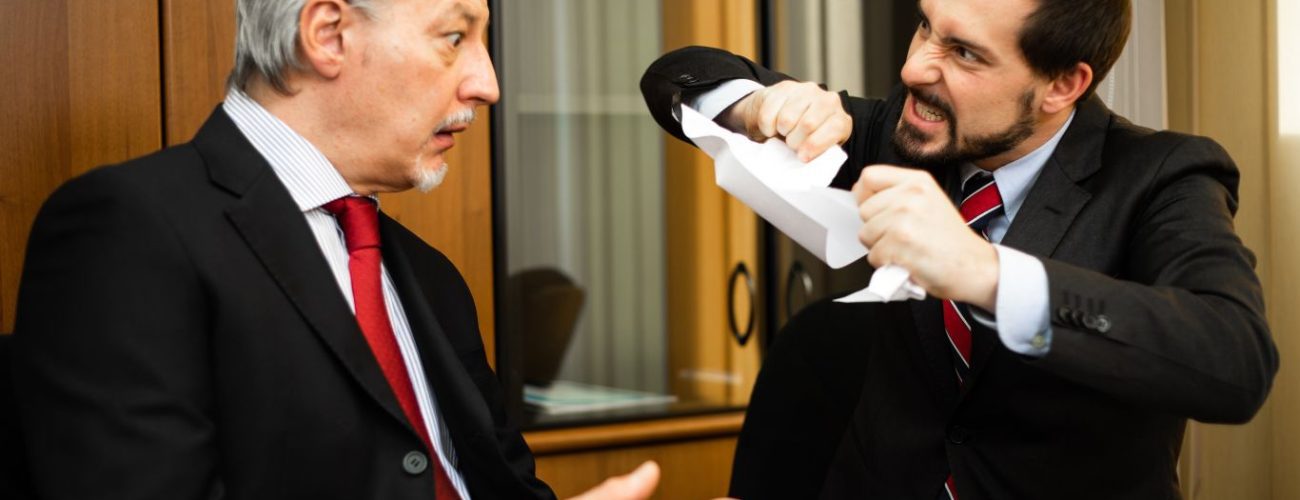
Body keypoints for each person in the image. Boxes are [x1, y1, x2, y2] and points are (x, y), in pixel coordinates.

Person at [11, 0, 661, 498]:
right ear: (328, 34)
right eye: (455, 38)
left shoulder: (432, 278)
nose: (487, 84)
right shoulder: (129, 228)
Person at [640, 0, 1278, 498]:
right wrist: (757, 106)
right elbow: (677, 77)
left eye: (965, 53)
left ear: (1062, 84)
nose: (915, 67)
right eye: (925, 26)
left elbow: (1233, 358)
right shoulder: (898, 132)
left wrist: (990, 274)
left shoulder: (1160, 176)